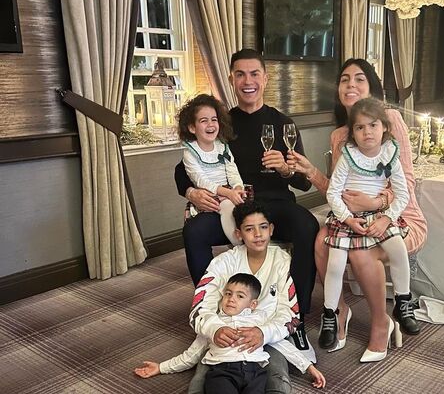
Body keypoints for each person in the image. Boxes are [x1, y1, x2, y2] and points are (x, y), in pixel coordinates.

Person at [175, 49, 319, 355]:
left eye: (254, 74)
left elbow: (303, 182)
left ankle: (296, 318)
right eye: (240, 74)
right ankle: (211, 315)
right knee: (195, 231)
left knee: (307, 226)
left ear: (265, 78)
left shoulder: (282, 123)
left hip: (275, 204)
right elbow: (184, 167)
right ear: (231, 80)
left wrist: (285, 169)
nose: (248, 81)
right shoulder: (221, 123)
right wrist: (191, 192)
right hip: (235, 207)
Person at [287, 58, 427, 360]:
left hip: (398, 215)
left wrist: (376, 204)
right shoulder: (340, 135)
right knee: (321, 240)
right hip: (353, 219)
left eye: (359, 78)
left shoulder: (389, 119)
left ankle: (381, 321)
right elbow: (339, 191)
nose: (351, 84)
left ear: (372, 87)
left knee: (362, 253)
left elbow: (406, 182)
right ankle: (338, 311)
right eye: (344, 79)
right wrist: (311, 171)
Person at [185, 202, 322, 393]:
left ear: (271, 229)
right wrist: (215, 329)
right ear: (239, 234)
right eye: (249, 229)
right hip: (227, 334)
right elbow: (200, 308)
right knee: (200, 383)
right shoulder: (223, 262)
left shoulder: (283, 261)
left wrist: (264, 332)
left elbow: (290, 314)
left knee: (278, 382)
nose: (258, 234)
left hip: (270, 337)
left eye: (263, 227)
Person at [321, 98, 420, 361]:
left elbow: (402, 194)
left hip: (378, 216)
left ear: (384, 127)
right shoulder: (348, 156)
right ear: (352, 132)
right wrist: (347, 218)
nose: (367, 132)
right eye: (360, 127)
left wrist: (387, 218)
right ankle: (330, 314)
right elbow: (333, 192)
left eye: (373, 125)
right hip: (348, 217)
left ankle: (402, 302)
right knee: (335, 262)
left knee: (398, 248)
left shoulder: (390, 153)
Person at [134, 273, 326, 392]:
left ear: (252, 304)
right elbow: (191, 355)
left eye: (240, 296)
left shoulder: (259, 323)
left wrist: (309, 367)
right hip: (222, 373)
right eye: (228, 293)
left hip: (256, 372)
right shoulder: (212, 324)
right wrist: (161, 367)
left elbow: (283, 345)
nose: (231, 299)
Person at [177, 94, 244, 245]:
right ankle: (239, 247)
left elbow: (232, 171)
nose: (210, 124)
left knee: (246, 208)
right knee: (229, 208)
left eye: (214, 119)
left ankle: (250, 246)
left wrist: (238, 187)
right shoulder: (190, 152)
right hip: (209, 196)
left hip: (228, 192)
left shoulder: (222, 146)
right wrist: (227, 193)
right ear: (192, 127)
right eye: (203, 121)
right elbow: (201, 181)